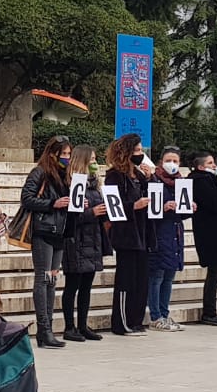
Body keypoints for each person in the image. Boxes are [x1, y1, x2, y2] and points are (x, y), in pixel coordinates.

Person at [20, 135, 72, 348]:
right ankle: (44, 328)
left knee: (52, 279)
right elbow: (27, 198)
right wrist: (53, 203)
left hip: (60, 231)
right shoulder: (40, 172)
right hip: (44, 229)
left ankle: (48, 327)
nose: (67, 158)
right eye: (64, 154)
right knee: (42, 279)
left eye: (69, 154)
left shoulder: (66, 175)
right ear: (53, 154)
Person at [105, 133, 155, 336]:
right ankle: (122, 322)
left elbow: (152, 196)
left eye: (141, 151)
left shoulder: (140, 175)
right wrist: (133, 206)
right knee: (126, 279)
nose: (140, 154)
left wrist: (150, 179)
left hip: (142, 232)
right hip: (126, 233)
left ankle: (136, 319)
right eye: (136, 151)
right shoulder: (114, 175)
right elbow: (112, 205)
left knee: (141, 279)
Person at [60, 144, 108, 342]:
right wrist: (91, 213)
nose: (95, 164)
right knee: (73, 284)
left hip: (93, 238)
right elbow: (71, 216)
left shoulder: (95, 184)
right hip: (75, 240)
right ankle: (69, 326)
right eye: (92, 160)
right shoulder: (72, 183)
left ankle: (82, 324)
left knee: (87, 285)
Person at [189, 152, 217, 327]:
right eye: (210, 163)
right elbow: (214, 204)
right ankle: (209, 311)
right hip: (211, 235)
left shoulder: (206, 180)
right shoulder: (200, 181)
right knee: (213, 273)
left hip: (215, 233)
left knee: (215, 273)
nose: (214, 166)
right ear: (201, 167)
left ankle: (211, 310)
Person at [148, 146, 185, 331]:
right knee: (157, 276)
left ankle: (164, 313)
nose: (172, 164)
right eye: (168, 160)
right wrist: (163, 207)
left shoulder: (181, 182)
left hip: (175, 234)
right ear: (161, 162)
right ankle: (155, 315)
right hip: (159, 233)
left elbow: (183, 214)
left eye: (175, 161)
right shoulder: (153, 180)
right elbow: (151, 210)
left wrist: (190, 207)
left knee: (169, 276)